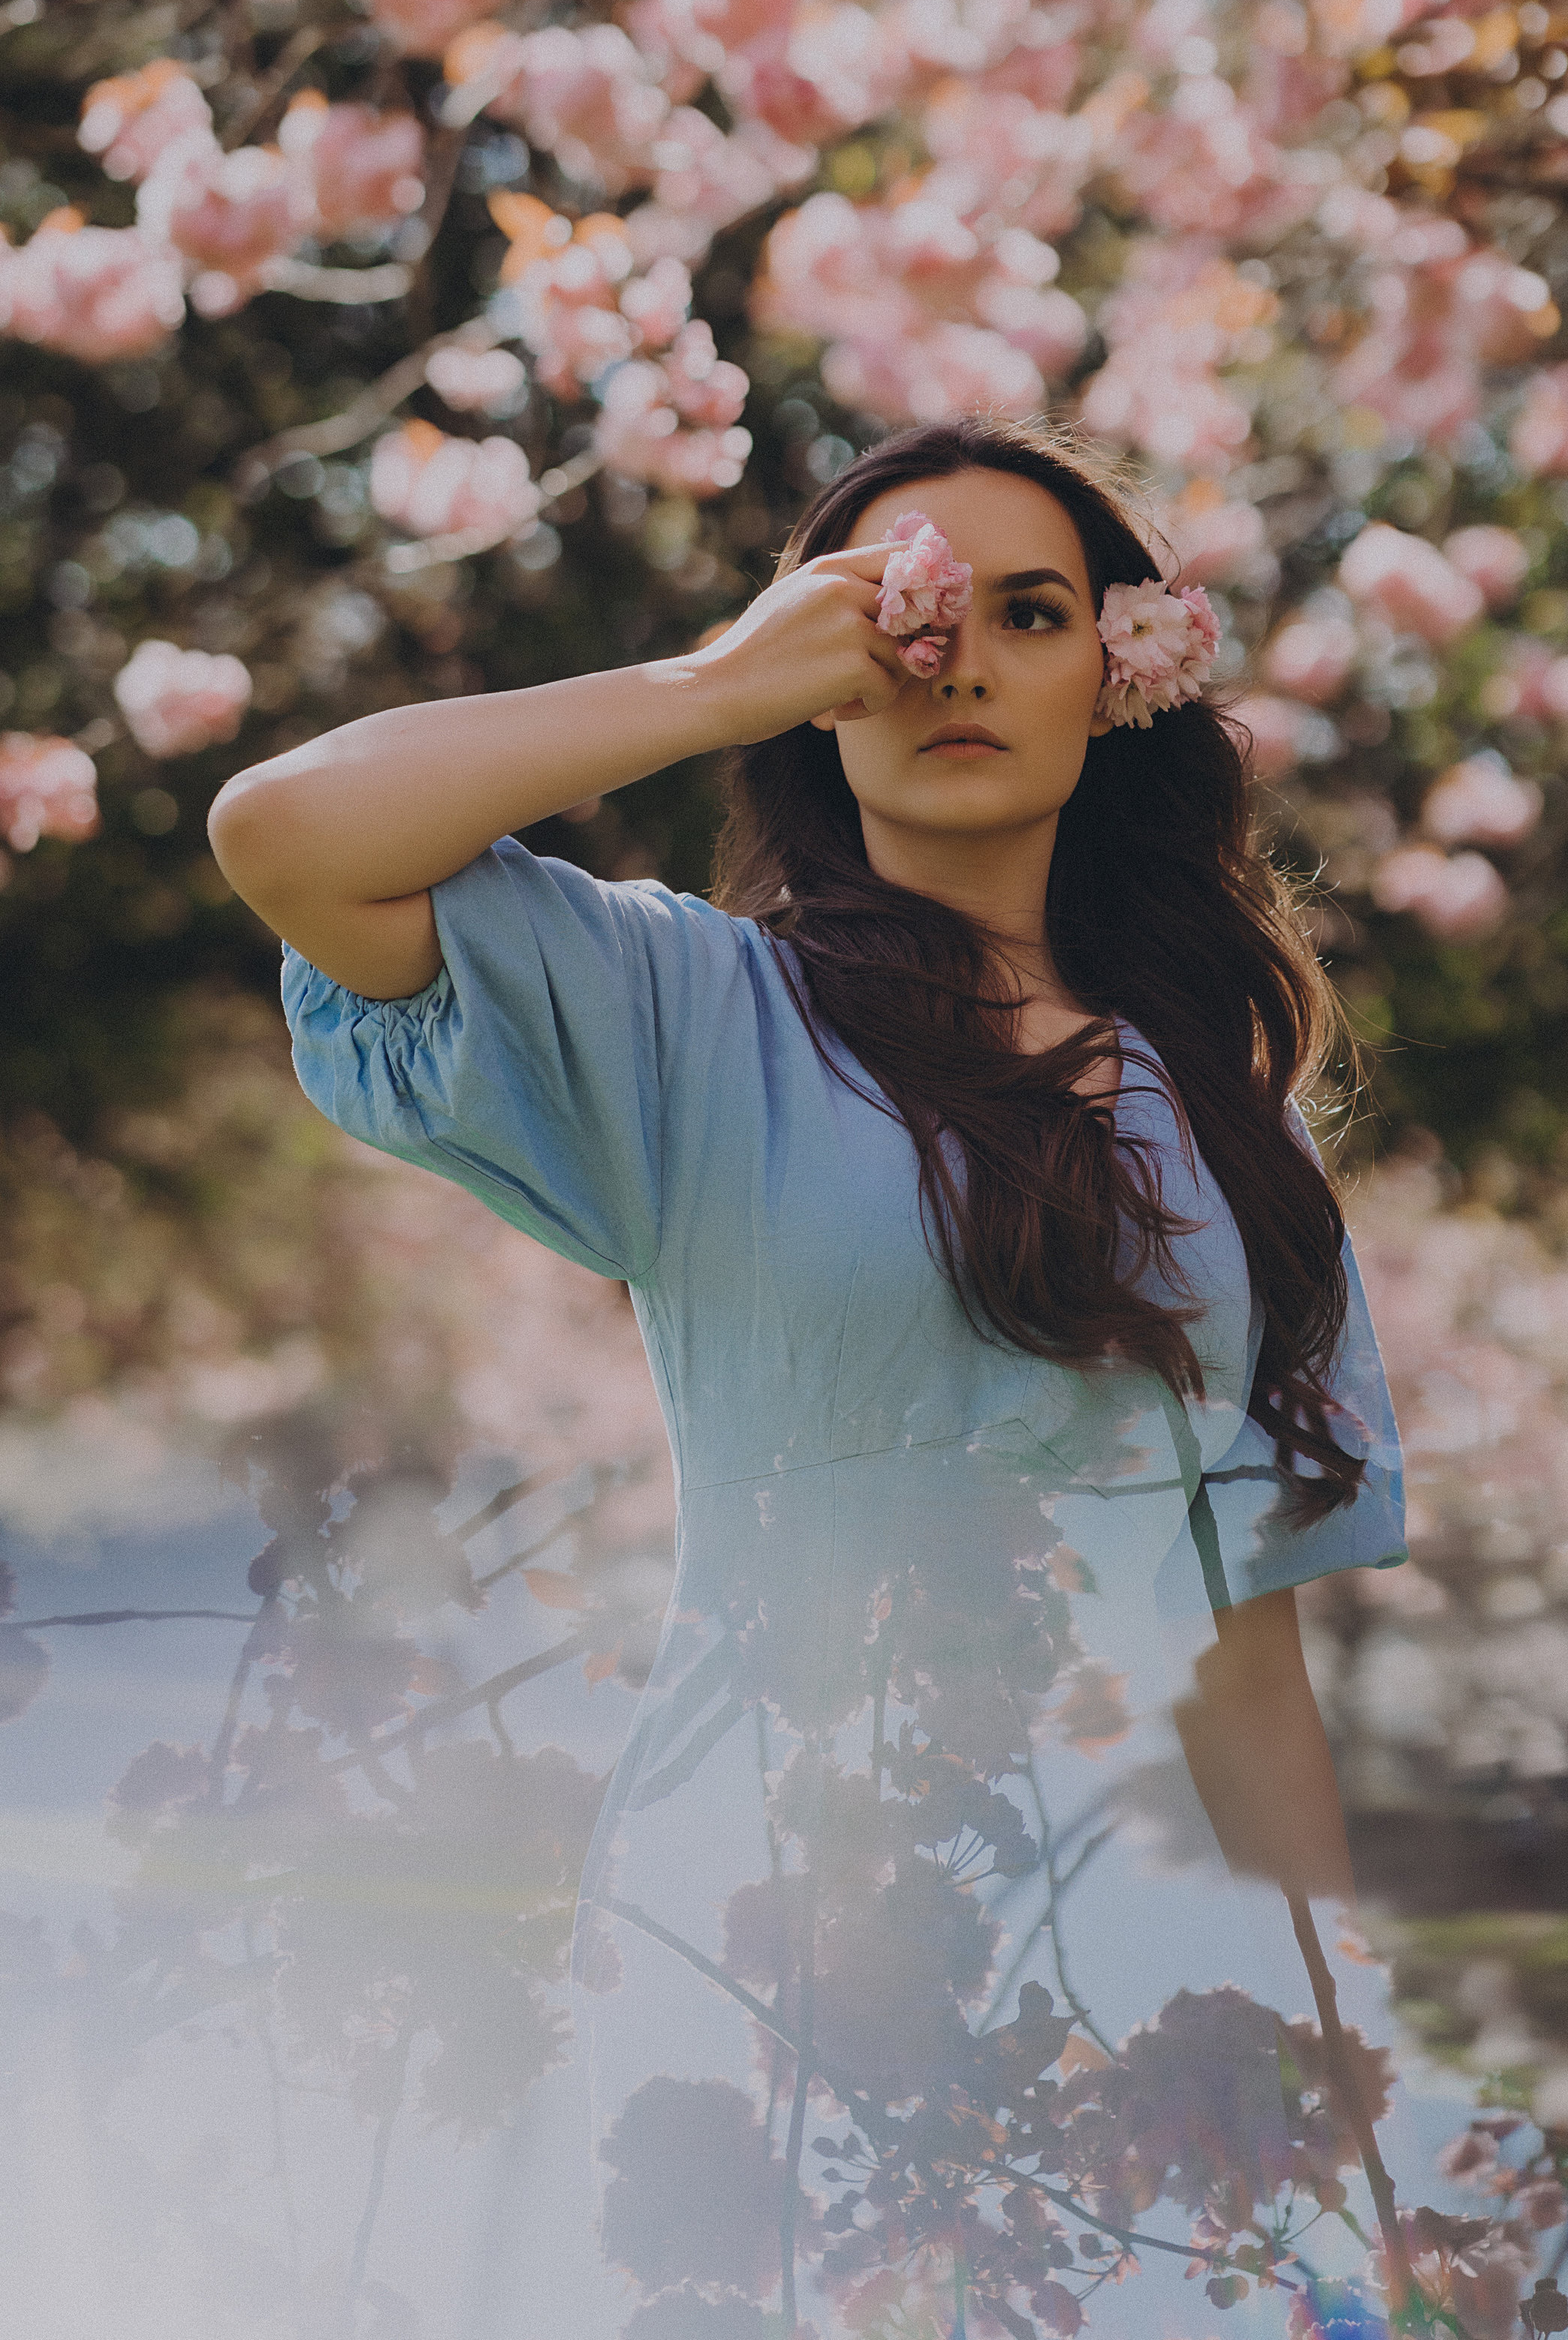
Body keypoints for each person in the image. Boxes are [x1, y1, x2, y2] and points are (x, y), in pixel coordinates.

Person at [210, 413, 1405, 2335]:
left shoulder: (1226, 1120)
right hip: (773, 1890)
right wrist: (707, 685)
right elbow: (283, 831)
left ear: (1119, 680)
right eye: (900, 613)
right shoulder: (688, 1010)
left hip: (1146, 1939)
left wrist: (1336, 2072)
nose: (955, 661)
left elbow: (1240, 1652)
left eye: (1029, 612)